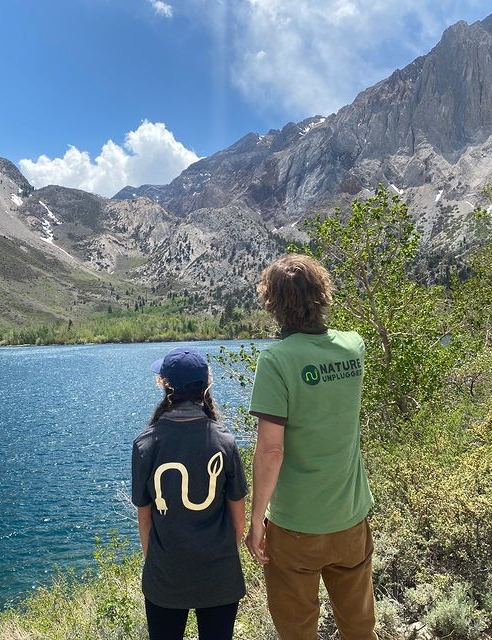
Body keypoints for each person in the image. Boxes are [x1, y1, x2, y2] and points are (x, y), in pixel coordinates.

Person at [245, 254, 377, 640]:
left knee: (298, 629)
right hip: (351, 518)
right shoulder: (353, 347)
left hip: (295, 527)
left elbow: (271, 451)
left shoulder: (276, 360)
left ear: (273, 304)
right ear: (323, 294)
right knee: (359, 627)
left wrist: (256, 522)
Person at [131, 347, 247, 640]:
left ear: (165, 386)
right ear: (206, 386)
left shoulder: (145, 444)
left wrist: (158, 563)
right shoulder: (225, 442)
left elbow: (145, 520)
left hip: (165, 578)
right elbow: (239, 523)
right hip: (219, 578)